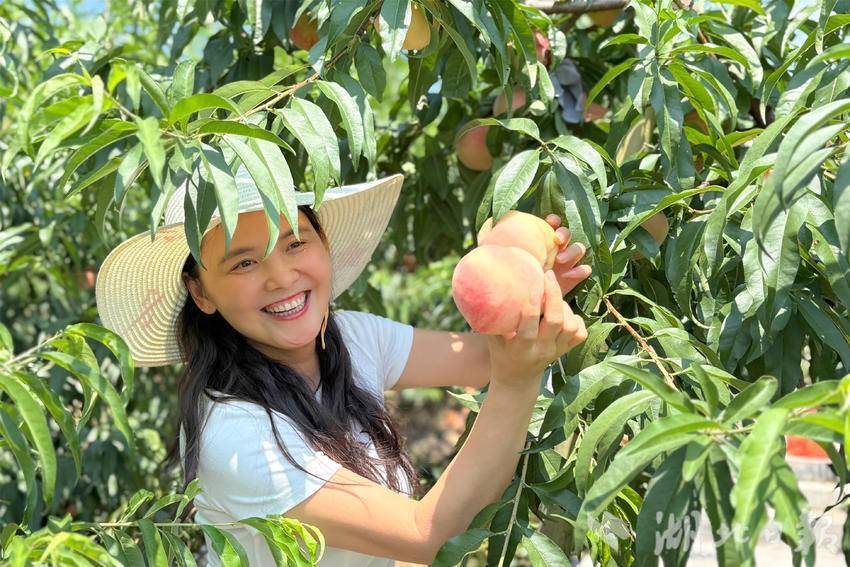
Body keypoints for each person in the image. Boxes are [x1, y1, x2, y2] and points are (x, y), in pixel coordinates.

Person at [94, 166, 591, 566]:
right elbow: (426, 536)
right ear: (201, 292)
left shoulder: (348, 336)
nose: (281, 276)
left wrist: (530, 293)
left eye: (295, 243)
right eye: (243, 263)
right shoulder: (236, 435)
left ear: (323, 243)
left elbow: (484, 359)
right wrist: (516, 379)